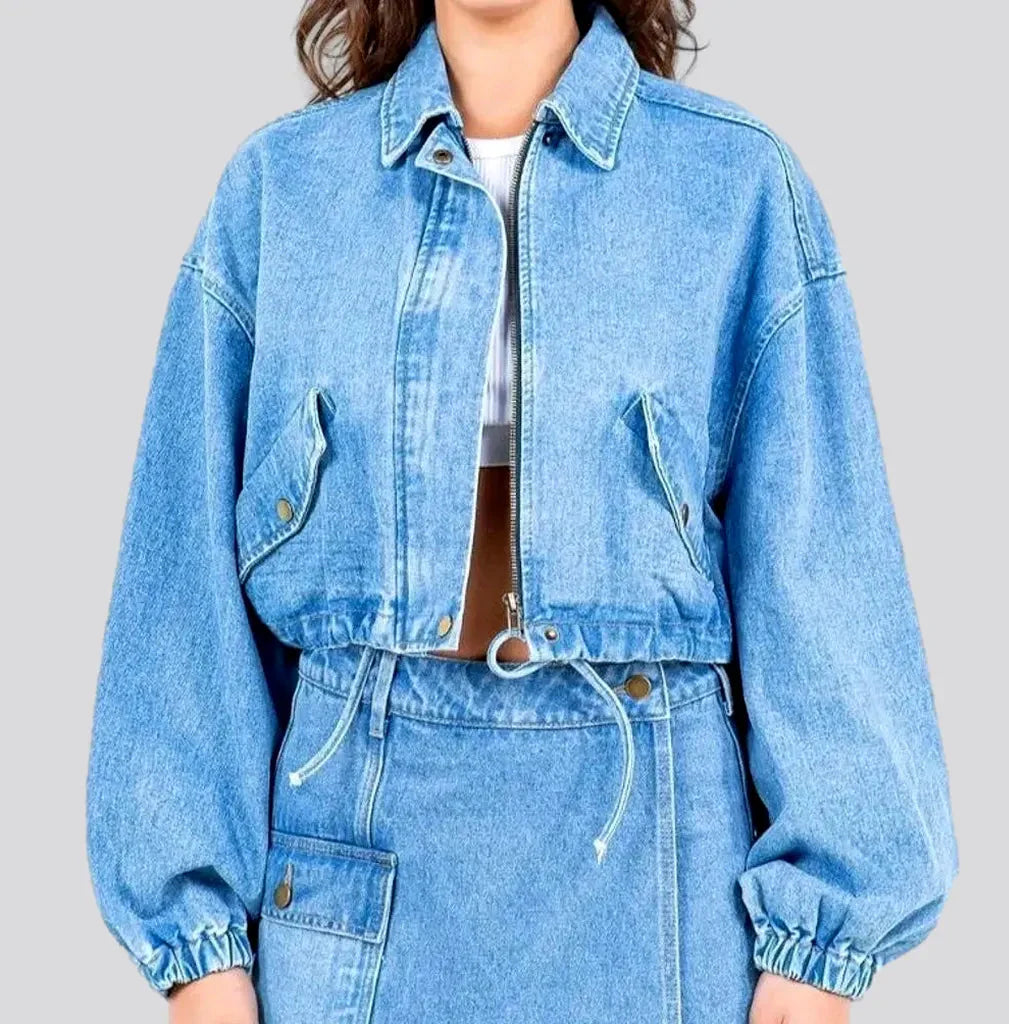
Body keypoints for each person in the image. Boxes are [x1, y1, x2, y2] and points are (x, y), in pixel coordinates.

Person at [85, 2, 957, 1022]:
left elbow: (821, 576)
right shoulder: (280, 194)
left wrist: (816, 960)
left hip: (658, 904)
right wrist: (199, 962)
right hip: (346, 899)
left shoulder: (736, 186)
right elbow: (181, 599)